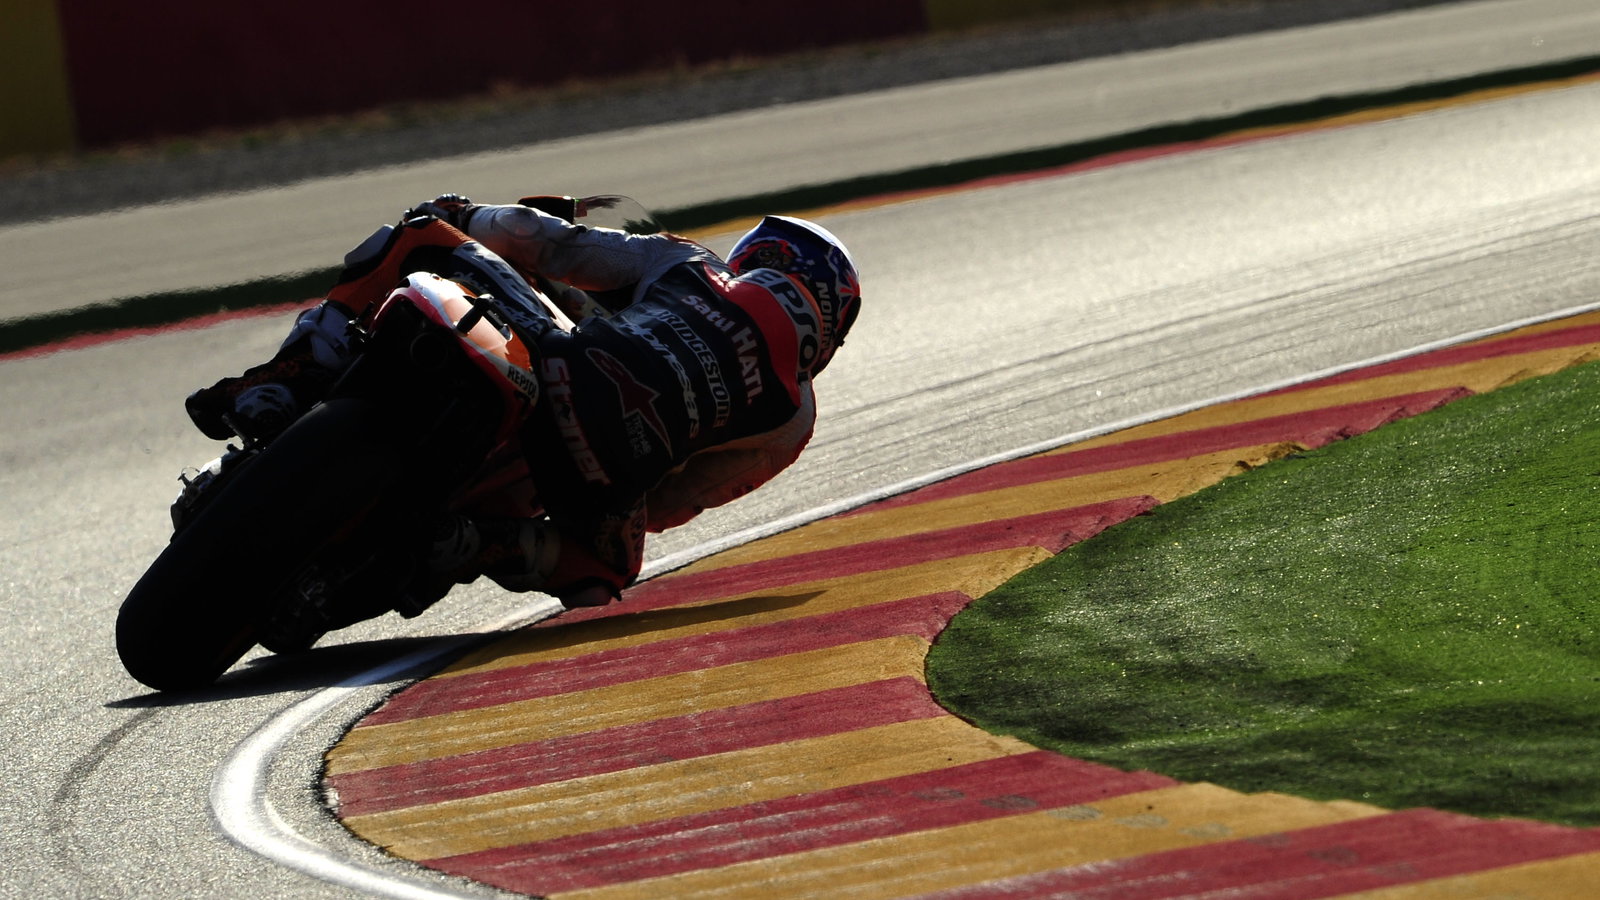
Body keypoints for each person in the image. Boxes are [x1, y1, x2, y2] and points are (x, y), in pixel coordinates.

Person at [185, 194, 861, 611]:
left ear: (760, 255)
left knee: (423, 233)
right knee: (609, 568)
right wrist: (599, 489)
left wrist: (470, 217)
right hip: (595, 476)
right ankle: (472, 543)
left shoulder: (689, 265)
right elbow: (676, 504)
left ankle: (281, 380)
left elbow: (551, 244)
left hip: (555, 363)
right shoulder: (792, 419)